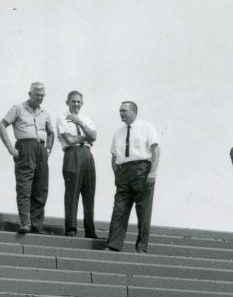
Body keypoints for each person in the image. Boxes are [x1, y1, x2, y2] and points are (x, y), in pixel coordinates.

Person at [0, 81, 57, 234]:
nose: (40, 98)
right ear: (30, 94)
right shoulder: (18, 108)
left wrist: (48, 149)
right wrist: (11, 148)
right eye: (37, 94)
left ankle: (37, 224)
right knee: (24, 186)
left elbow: (51, 132)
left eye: (42, 95)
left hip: (41, 149)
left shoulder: (45, 113)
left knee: (41, 188)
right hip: (25, 147)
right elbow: (1, 126)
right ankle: (25, 223)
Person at [103, 101, 162, 254]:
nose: (121, 113)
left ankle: (142, 247)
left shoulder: (147, 127)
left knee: (143, 210)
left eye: (124, 110)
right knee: (119, 210)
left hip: (142, 170)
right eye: (120, 111)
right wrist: (117, 175)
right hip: (123, 172)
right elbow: (114, 156)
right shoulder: (118, 132)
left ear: (134, 111)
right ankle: (113, 245)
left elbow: (155, 151)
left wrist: (152, 172)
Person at [56, 89, 99, 238]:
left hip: (87, 155)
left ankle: (90, 230)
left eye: (78, 101)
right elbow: (69, 139)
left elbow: (93, 136)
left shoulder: (86, 119)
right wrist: (86, 138)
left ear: (82, 103)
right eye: (73, 101)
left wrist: (80, 123)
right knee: (72, 192)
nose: (76, 104)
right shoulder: (62, 118)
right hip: (72, 154)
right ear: (67, 102)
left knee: (89, 192)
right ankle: (71, 229)